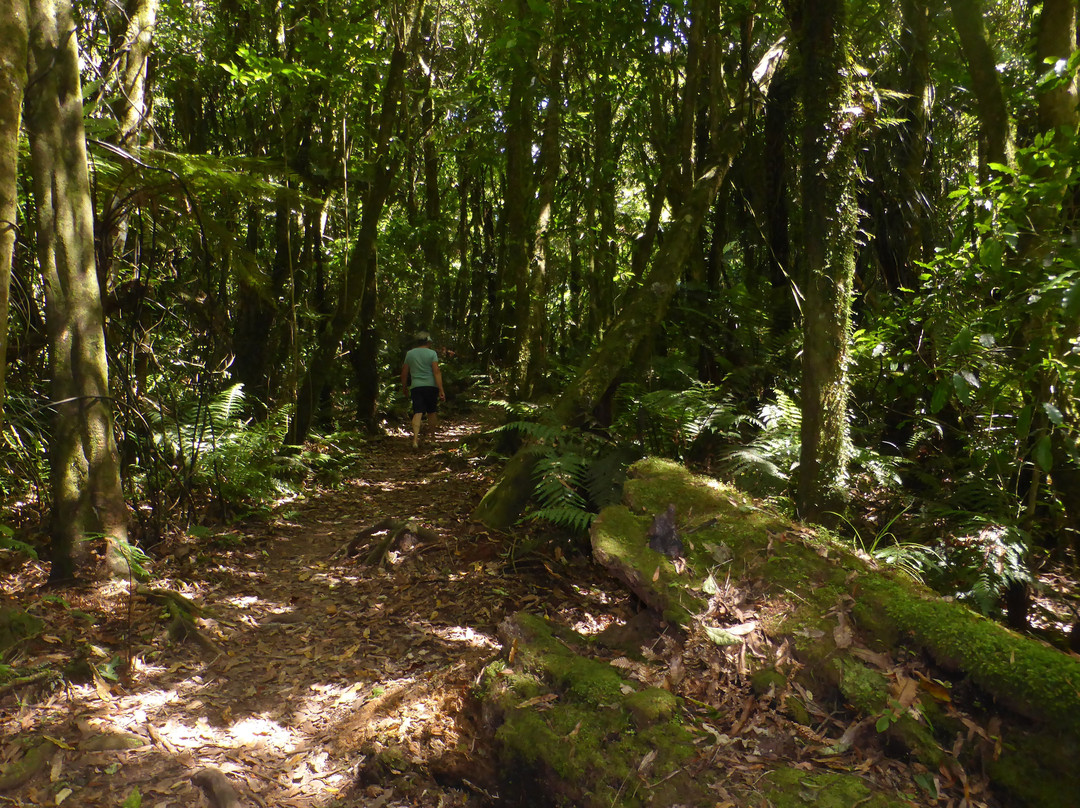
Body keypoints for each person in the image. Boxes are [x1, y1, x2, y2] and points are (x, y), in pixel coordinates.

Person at [401, 331, 446, 448]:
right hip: (431, 386)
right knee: (431, 412)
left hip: (416, 387)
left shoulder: (410, 354)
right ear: (428, 342)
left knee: (417, 412)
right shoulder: (432, 354)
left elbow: (404, 373)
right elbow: (436, 371)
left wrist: (404, 387)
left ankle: (415, 440)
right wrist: (441, 389)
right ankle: (432, 438)